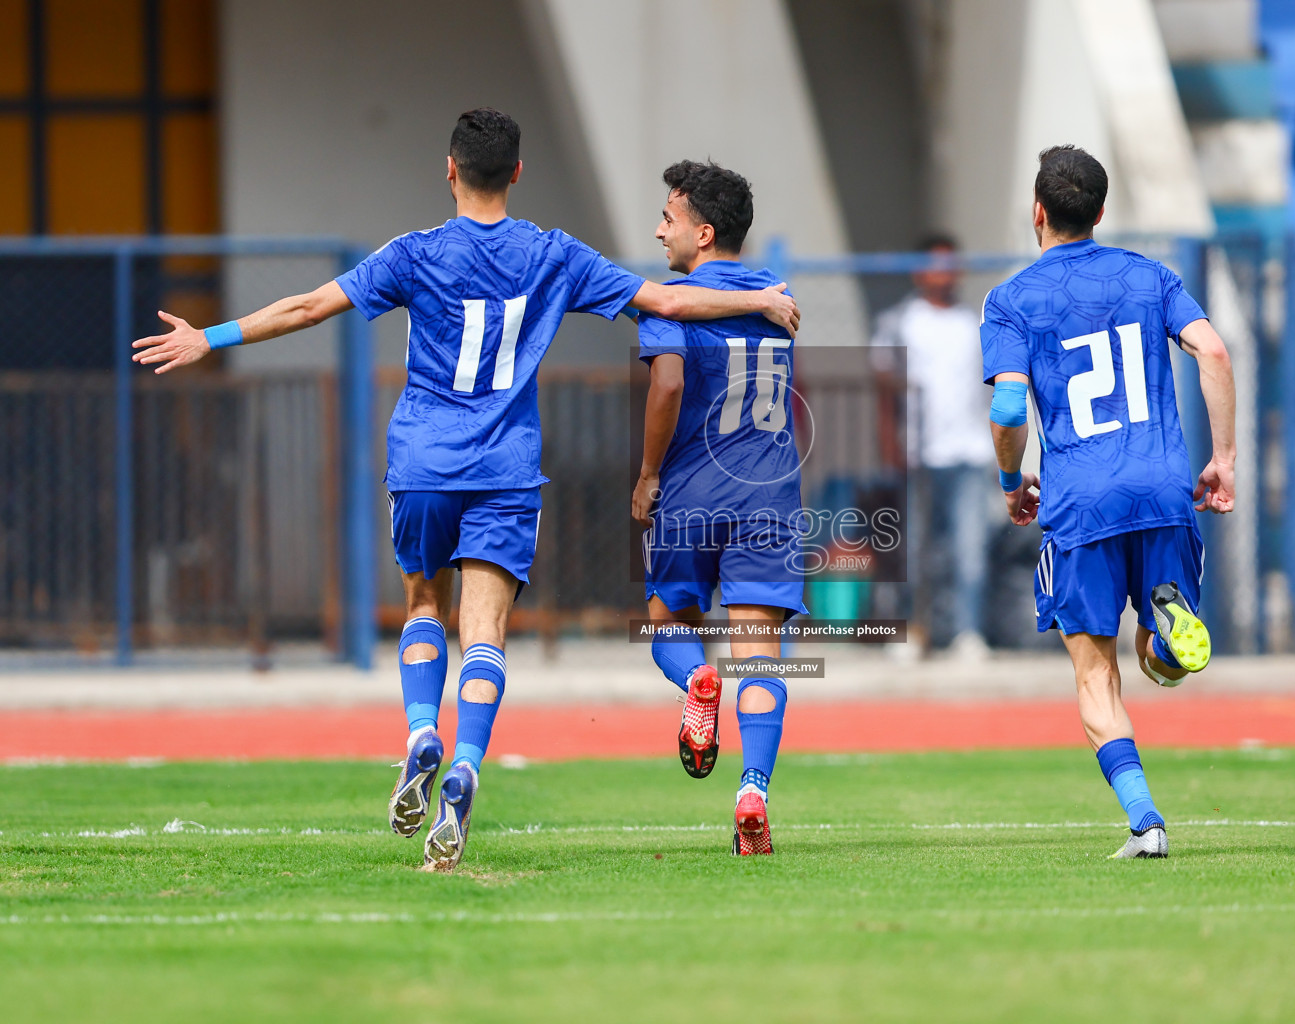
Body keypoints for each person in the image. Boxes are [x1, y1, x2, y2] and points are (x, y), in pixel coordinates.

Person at [132, 108, 800, 872]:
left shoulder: (414, 254)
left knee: (424, 603)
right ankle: (470, 765)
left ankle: (423, 731)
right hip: (507, 469)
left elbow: (308, 307)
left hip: (423, 460)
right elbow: (673, 302)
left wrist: (208, 338)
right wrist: (759, 300)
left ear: (450, 171)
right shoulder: (555, 255)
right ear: (517, 173)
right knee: (485, 634)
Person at [981, 145, 1236, 860]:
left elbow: (1006, 405)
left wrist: (1010, 481)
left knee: (1096, 673)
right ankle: (1165, 625)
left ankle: (1145, 821)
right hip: (1162, 488)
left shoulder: (1012, 300)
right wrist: (1223, 458)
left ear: (1038, 212)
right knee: (1159, 660)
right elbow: (1212, 352)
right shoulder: (1150, 276)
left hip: (1081, 502)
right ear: (1098, 213)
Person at [632, 160, 803, 856]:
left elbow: (669, 385)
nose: (658, 229)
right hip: (768, 492)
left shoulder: (670, 299)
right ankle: (752, 789)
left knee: (668, 618)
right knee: (761, 660)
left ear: (702, 233)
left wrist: (647, 473)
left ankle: (696, 680)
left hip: (691, 489)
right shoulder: (779, 299)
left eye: (668, 217)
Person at [871, 234, 997, 660]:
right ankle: (913, 633)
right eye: (934, 264)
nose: (943, 273)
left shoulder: (974, 323)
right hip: (919, 453)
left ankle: (968, 633)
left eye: (950, 264)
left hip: (970, 452)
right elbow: (883, 389)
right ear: (918, 269)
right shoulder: (900, 321)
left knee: (969, 551)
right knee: (914, 550)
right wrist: (890, 443)